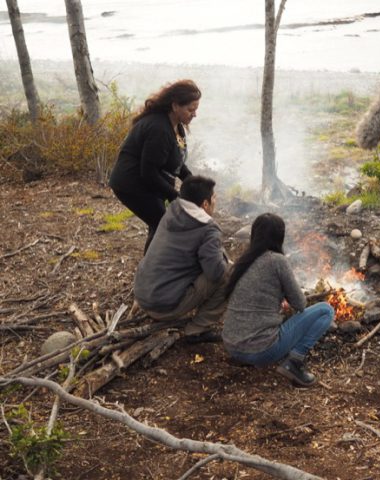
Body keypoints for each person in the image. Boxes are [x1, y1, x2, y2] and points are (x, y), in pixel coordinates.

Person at [222, 213, 334, 387]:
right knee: (326, 311)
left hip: (231, 345)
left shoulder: (244, 261)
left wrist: (277, 299)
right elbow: (300, 304)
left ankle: (251, 357)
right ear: (279, 237)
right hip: (260, 351)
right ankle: (294, 363)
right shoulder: (277, 261)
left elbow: (256, 296)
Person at [133, 175, 228, 343]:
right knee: (228, 274)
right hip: (163, 307)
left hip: (143, 294)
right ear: (205, 204)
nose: (215, 201)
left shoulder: (173, 210)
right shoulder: (208, 229)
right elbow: (216, 274)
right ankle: (197, 329)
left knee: (215, 261)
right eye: (214, 198)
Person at [109, 79, 201, 253]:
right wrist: (175, 196)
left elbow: (176, 162)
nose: (194, 114)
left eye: (196, 110)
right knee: (163, 224)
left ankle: (152, 269)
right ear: (175, 106)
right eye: (190, 109)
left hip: (148, 184)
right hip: (131, 184)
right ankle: (151, 272)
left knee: (159, 223)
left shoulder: (176, 127)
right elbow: (149, 173)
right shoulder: (158, 128)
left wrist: (195, 182)